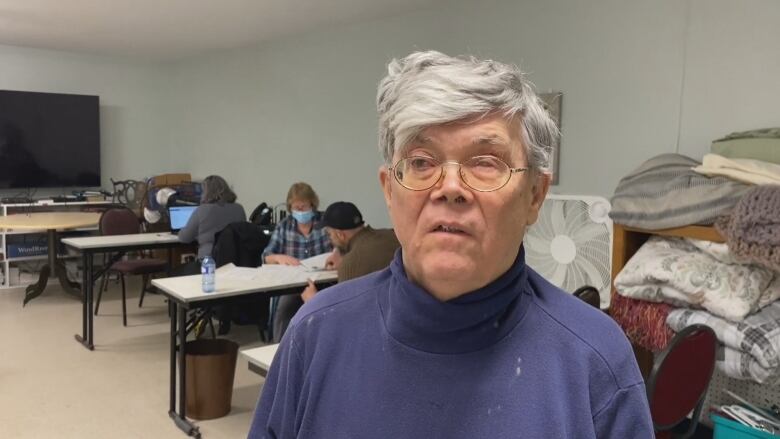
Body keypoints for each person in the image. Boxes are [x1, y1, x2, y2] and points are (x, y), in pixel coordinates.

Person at [249, 51, 653, 438]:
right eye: (422, 161)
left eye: (485, 161)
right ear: (390, 191)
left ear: (534, 196)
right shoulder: (316, 334)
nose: (451, 188)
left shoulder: (595, 361)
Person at [262, 182, 332, 341]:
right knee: (284, 309)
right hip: (293, 284)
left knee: (327, 306)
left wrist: (334, 256)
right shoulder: (284, 226)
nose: (300, 212)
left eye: (304, 207)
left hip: (324, 280)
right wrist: (279, 257)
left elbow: (341, 250)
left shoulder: (325, 223)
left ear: (312, 205)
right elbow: (266, 256)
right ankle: (278, 347)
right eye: (296, 208)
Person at [299, 201, 400, 303]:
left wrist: (313, 302)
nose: (329, 239)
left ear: (340, 235)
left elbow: (344, 314)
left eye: (329, 234)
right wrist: (341, 254)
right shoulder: (392, 235)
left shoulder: (351, 264)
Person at [176, 175, 246, 271]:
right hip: (236, 262)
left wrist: (198, 235)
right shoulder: (239, 208)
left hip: (208, 263)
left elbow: (184, 238)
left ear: (207, 192)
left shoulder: (202, 210)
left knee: (176, 272)